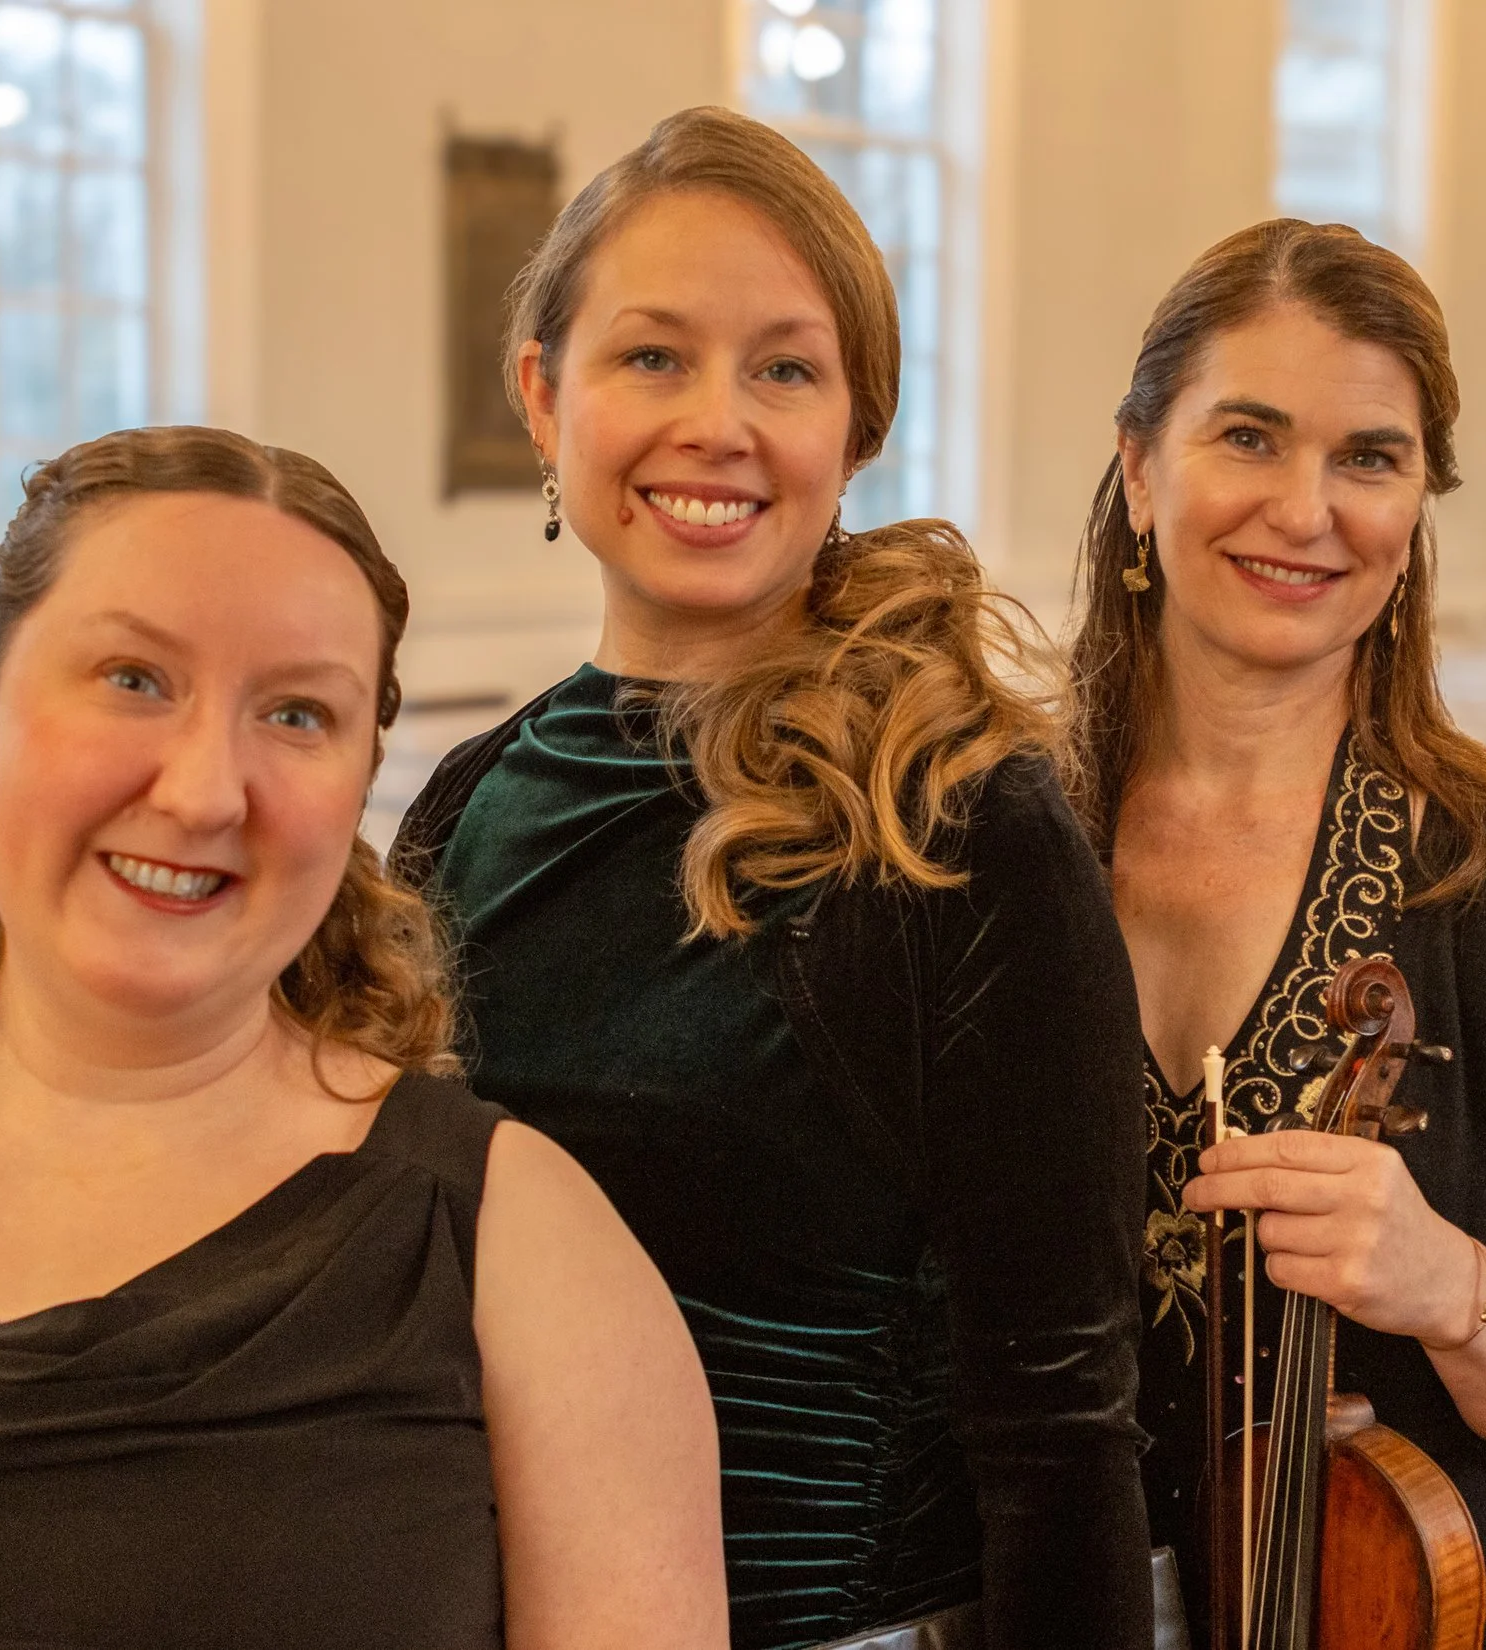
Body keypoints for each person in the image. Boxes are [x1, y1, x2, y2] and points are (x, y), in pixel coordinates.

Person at [0, 427, 725, 1650]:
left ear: (360, 779)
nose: (206, 791)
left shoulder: (524, 1248)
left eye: (297, 713)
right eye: (135, 680)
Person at [392, 108, 1151, 1650]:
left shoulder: (963, 822)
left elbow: (1063, 1417)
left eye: (786, 368)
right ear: (544, 393)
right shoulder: (464, 810)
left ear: (857, 428)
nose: (716, 422)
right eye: (653, 356)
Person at [1066, 218, 1486, 1650]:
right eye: (1249, 437)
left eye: (1369, 458)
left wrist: (1447, 1282)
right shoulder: (997, 853)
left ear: (1416, 509)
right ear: (1142, 469)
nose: (1306, 507)